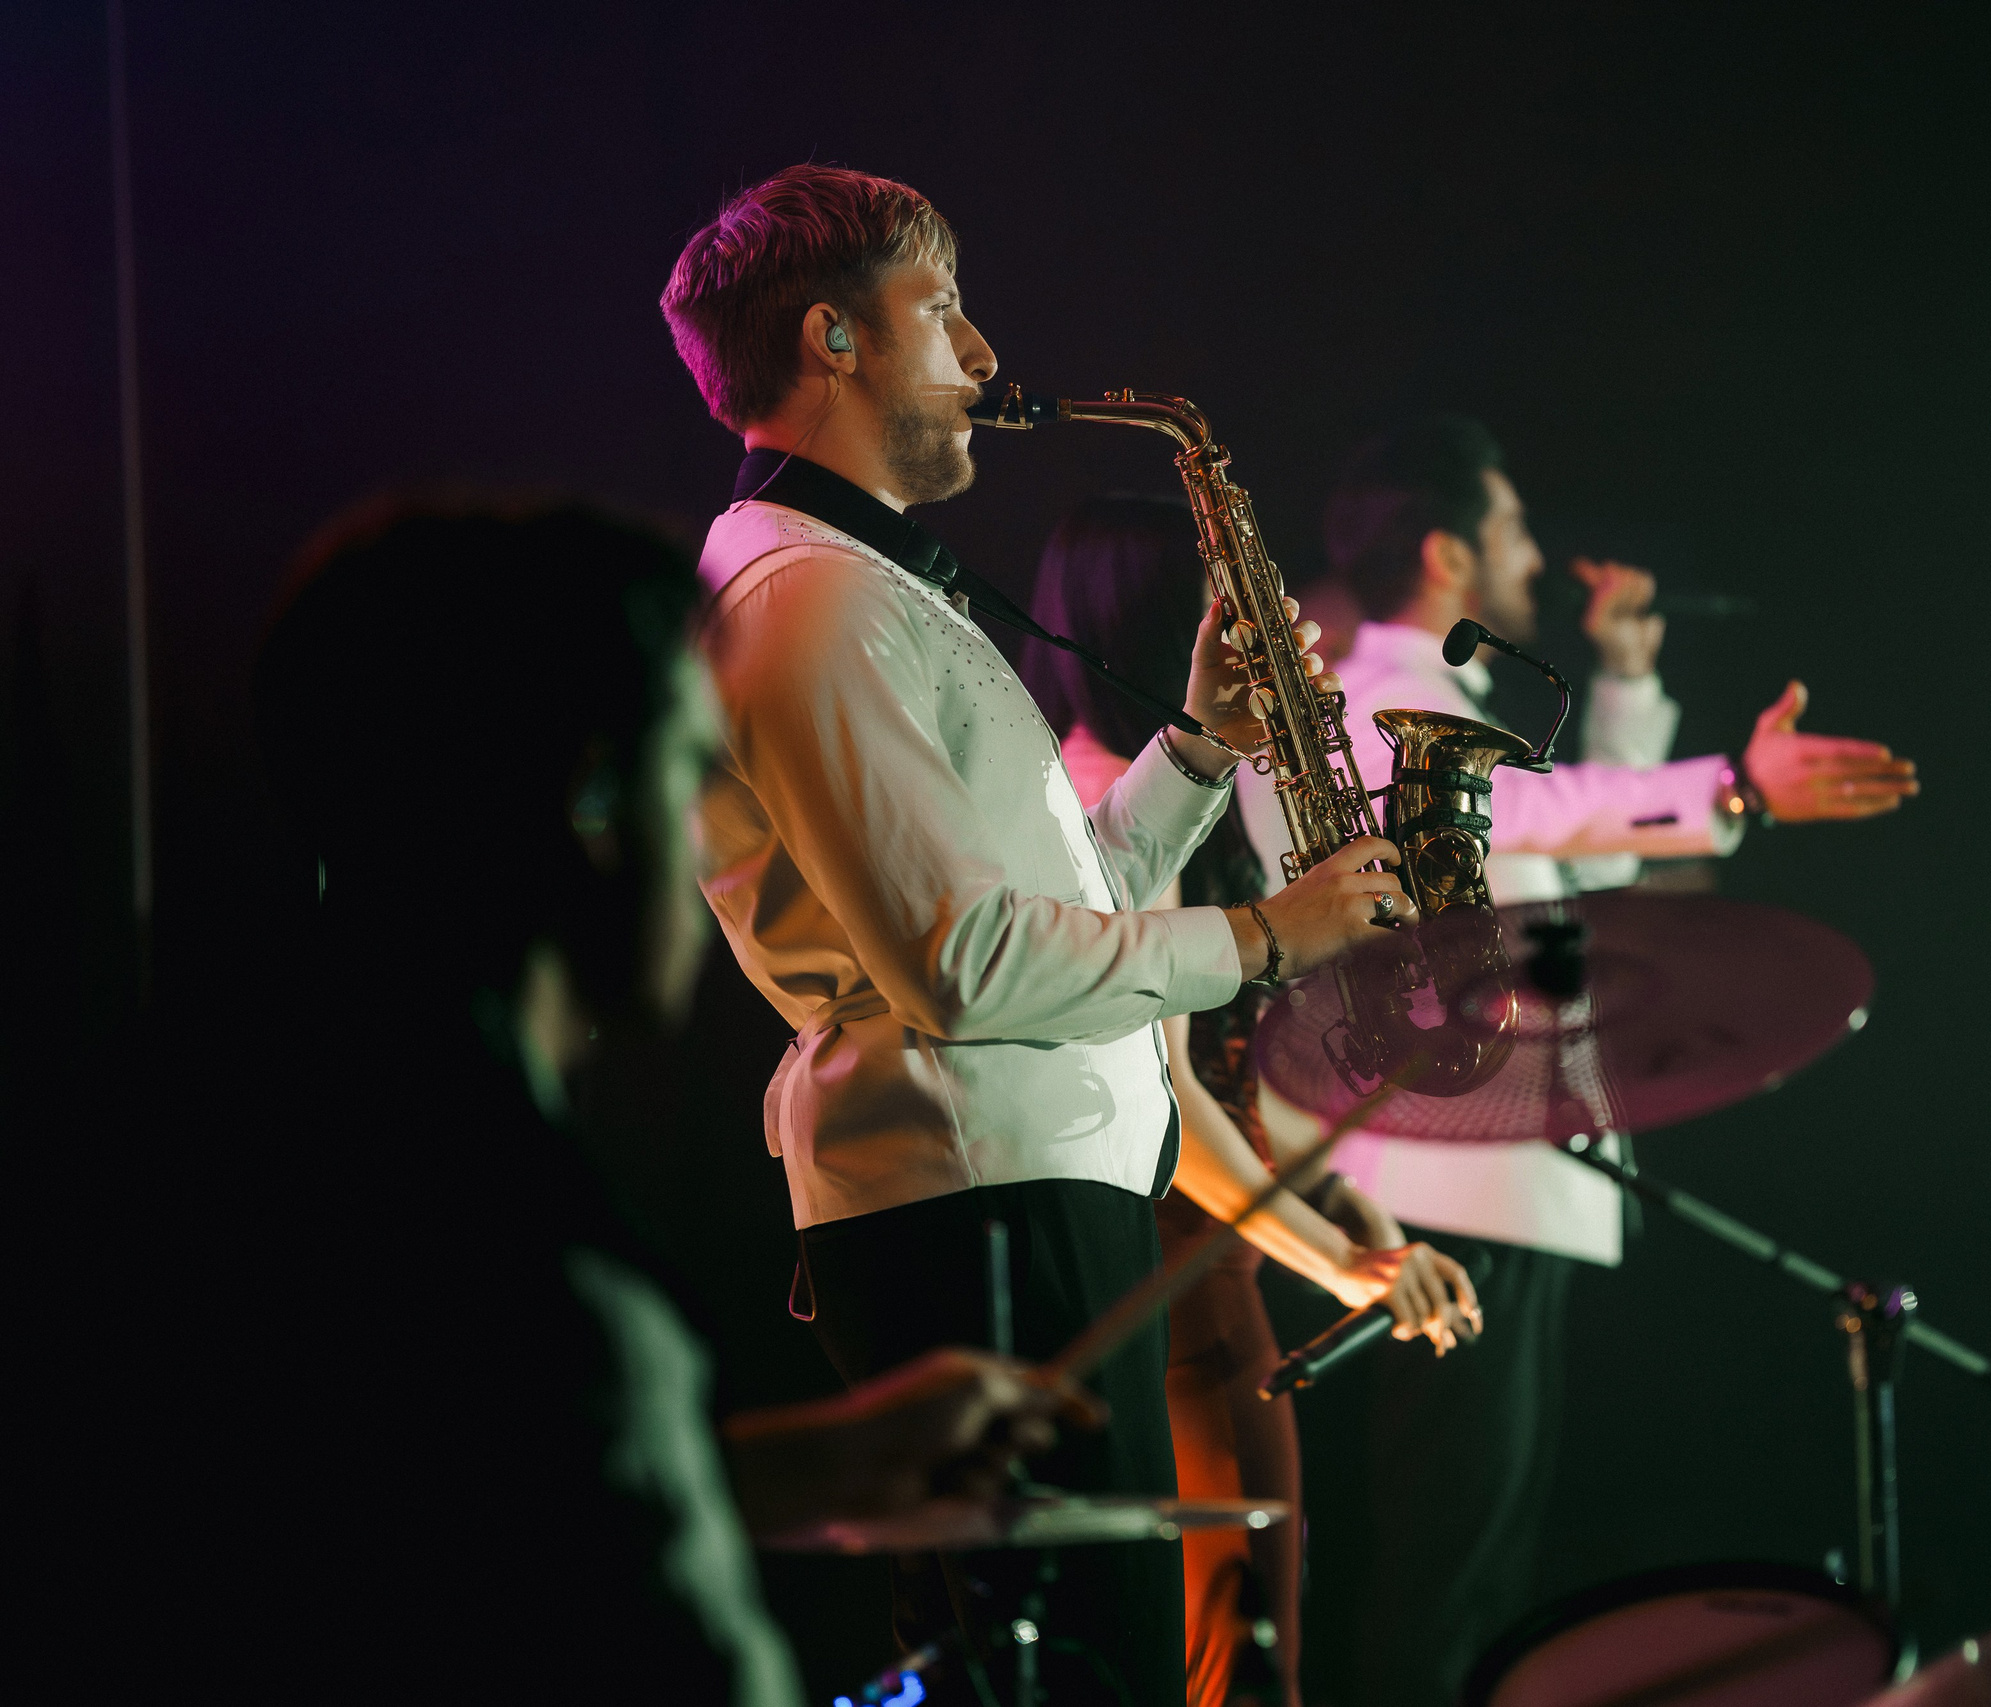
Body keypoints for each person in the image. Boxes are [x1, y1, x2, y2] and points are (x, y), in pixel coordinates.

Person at [657, 166, 1419, 1705]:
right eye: (941, 307)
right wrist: (1268, 938)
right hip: (975, 1199)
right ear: (834, 338)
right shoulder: (810, 601)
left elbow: (1030, 916)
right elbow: (970, 973)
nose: (987, 353)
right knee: (1075, 1676)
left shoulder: (857, 587)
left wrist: (1197, 754)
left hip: (1017, 1181)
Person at [242, 498, 1097, 1704]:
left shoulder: (333, 1135)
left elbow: (502, 1505)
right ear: (592, 804)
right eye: (693, 769)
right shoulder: (500, 1235)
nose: (712, 833)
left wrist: (830, 1464)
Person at [1239, 416, 1919, 1706]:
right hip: (1441, 1193)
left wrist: (1621, 682)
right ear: (1445, 552)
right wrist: (1737, 783)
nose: (1533, 553)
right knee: (1435, 1581)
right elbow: (1542, 813)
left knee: (1471, 1573)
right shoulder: (1376, 699)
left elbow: (1591, 879)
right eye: (1508, 527)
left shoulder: (1446, 703)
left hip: (1494, 1185)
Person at [1024, 494, 1484, 1706]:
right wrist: (1343, 1265)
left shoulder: (1165, 781)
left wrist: (1357, 1221)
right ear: (1169, 620)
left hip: (1211, 1262)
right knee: (1243, 1655)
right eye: (1238, 611)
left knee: (1246, 1635)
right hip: (1181, 1264)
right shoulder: (1103, 795)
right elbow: (1172, 1106)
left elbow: (1226, 1073)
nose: (1281, 644)